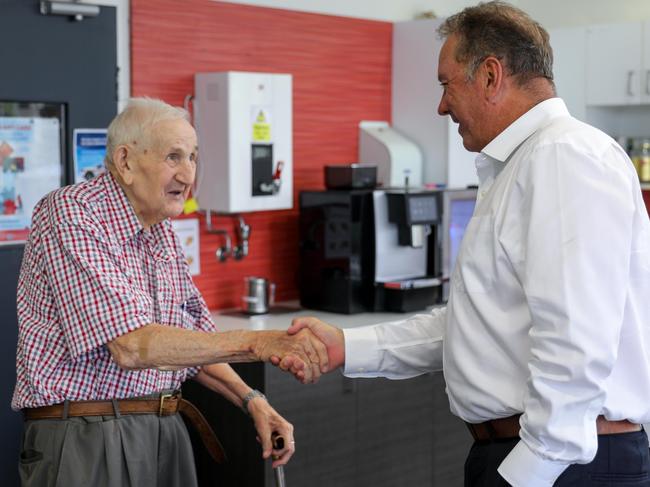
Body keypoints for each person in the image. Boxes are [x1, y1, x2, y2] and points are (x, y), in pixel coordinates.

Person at [281, 2, 650, 486]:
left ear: (491, 75)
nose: (441, 105)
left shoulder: (562, 157)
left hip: (560, 466)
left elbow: (574, 342)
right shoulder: (520, 165)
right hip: (535, 458)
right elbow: (474, 326)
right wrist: (346, 347)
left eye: (445, 83)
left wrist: (526, 473)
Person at [12, 97, 327, 487]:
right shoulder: (71, 213)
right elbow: (133, 346)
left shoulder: (160, 232)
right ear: (125, 162)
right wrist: (258, 343)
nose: (188, 173)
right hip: (87, 434)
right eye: (174, 157)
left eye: (193, 157)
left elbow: (196, 344)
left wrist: (252, 401)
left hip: (165, 428)